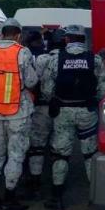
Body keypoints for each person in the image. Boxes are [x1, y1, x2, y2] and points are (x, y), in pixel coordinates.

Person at [40, 24, 105, 210]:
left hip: (63, 111)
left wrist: (54, 100)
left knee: (60, 153)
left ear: (67, 39)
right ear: (83, 39)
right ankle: (97, 197)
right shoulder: (95, 60)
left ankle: (57, 197)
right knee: (89, 153)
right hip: (87, 111)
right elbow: (104, 88)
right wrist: (94, 100)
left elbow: (47, 90)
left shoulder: (55, 60)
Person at [0, 17, 38, 210]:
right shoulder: (22, 52)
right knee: (15, 154)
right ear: (18, 35)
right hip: (17, 113)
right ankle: (9, 198)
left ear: (1, 33)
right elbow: (31, 81)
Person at [25, 29, 65, 197]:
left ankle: (35, 185)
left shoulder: (42, 59)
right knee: (60, 149)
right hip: (64, 109)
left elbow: (32, 81)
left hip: (42, 108)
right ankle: (58, 189)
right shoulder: (71, 59)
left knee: (37, 147)